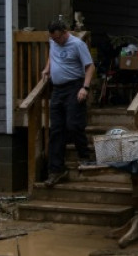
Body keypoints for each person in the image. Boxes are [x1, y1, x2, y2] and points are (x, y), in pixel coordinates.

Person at [41, 17, 95, 187]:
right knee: (56, 129)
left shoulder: (77, 44)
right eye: (53, 38)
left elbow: (90, 66)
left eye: (58, 38)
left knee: (73, 124)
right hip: (57, 90)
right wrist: (47, 68)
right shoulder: (53, 41)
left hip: (74, 87)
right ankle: (56, 170)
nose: (56, 41)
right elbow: (52, 54)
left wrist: (84, 88)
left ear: (65, 32)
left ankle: (84, 156)